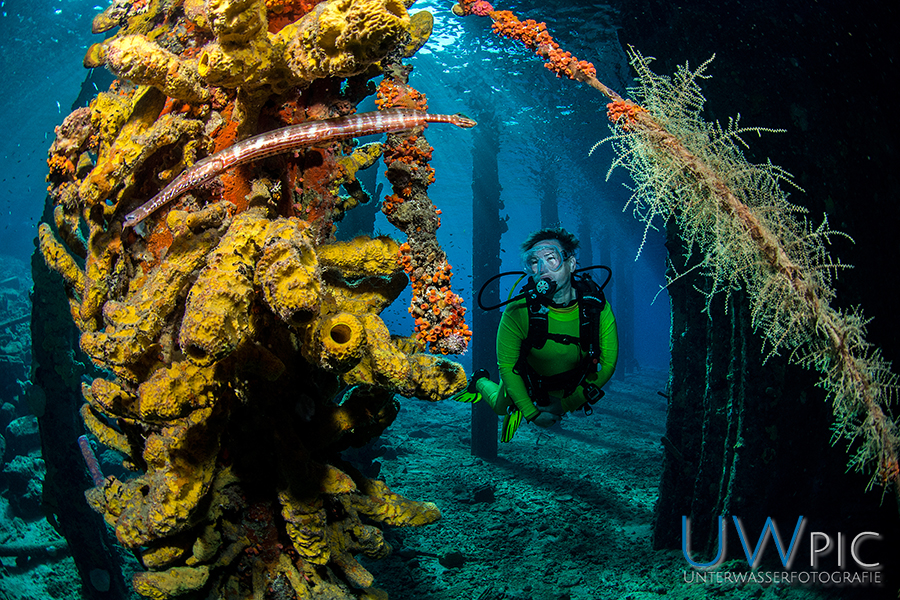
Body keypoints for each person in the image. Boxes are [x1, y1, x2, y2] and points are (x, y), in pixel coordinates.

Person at [458, 227, 619, 442]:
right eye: (534, 262)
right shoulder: (517, 310)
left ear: (571, 264)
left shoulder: (596, 308)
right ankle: (479, 381)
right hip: (528, 379)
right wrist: (531, 413)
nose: (542, 269)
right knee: (500, 407)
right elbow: (507, 365)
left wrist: (566, 404)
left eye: (551, 258)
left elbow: (608, 363)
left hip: (571, 381)